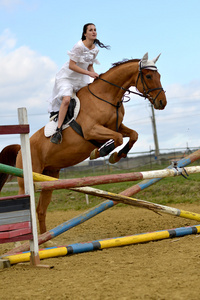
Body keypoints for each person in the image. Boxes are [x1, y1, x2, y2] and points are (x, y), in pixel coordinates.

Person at [48, 23, 110, 144]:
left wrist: (95, 75)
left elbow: (90, 66)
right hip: (67, 77)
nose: (94, 32)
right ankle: (58, 130)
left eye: (95, 30)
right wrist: (88, 73)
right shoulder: (79, 46)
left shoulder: (95, 50)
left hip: (81, 79)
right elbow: (72, 66)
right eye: (91, 30)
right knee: (66, 100)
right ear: (85, 34)